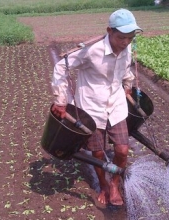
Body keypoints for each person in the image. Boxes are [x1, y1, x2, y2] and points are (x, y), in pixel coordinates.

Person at [51, 8, 142, 206]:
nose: (126, 42)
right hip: (91, 108)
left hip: (116, 106)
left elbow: (125, 69)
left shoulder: (126, 50)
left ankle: (115, 184)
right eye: (121, 37)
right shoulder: (91, 51)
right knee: (98, 153)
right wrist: (60, 100)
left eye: (130, 37)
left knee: (123, 150)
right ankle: (103, 185)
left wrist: (127, 86)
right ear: (109, 31)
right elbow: (60, 67)